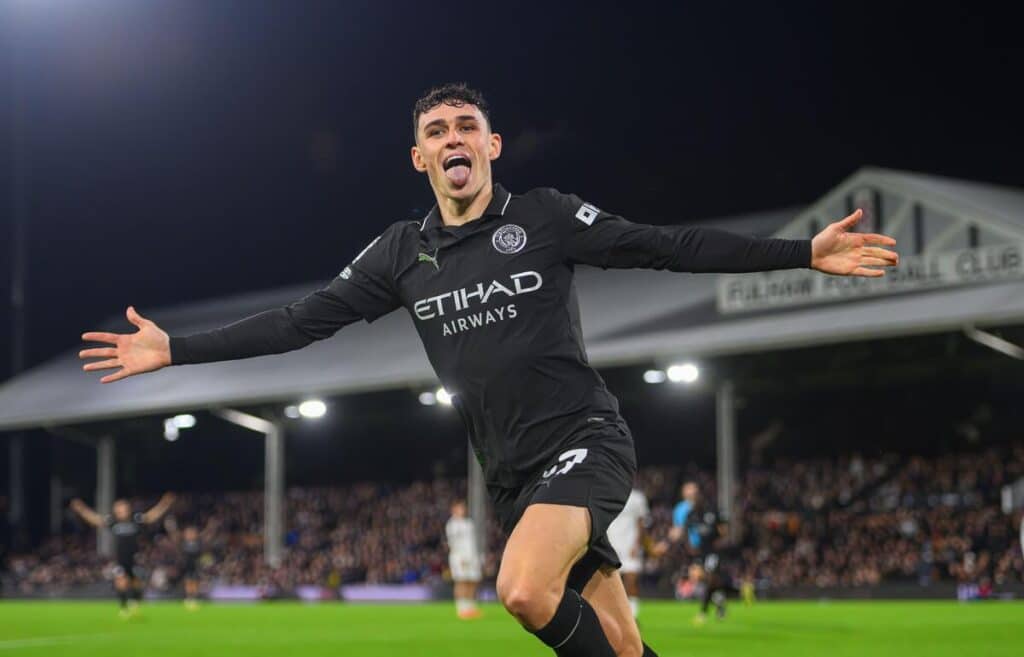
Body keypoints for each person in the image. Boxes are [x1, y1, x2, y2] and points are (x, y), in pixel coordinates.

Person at [79, 83, 898, 656]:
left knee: (522, 590)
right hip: (509, 476)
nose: (453, 140)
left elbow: (666, 245)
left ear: (492, 144)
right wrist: (175, 348)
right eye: (437, 132)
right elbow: (299, 322)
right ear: (418, 158)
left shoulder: (541, 217)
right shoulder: (400, 253)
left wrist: (802, 251)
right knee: (617, 639)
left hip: (584, 440)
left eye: (466, 125)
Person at [70, 493, 176, 616]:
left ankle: (135, 603)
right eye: (118, 508)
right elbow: (96, 520)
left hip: (136, 558)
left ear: (128, 509)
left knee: (135, 582)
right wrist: (81, 509)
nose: (120, 511)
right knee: (120, 581)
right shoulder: (113, 522)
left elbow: (152, 516)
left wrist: (164, 503)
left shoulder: (136, 519)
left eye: (122, 508)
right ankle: (124, 607)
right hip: (121, 558)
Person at [670, 482, 732, 625]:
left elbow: (723, 529)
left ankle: (703, 612)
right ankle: (720, 603)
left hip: (712, 551)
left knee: (709, 578)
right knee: (705, 579)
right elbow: (684, 531)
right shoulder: (689, 514)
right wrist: (687, 545)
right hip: (698, 552)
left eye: (695, 495)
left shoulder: (711, 510)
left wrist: (721, 540)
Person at [606, 486, 651, 620]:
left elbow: (641, 523)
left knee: (632, 581)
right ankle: (616, 616)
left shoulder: (637, 497)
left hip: (630, 546)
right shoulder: (606, 493)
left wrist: (638, 545)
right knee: (613, 583)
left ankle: (633, 616)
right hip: (611, 544)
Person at [445, 499, 483, 619]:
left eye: (463, 507)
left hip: (472, 556)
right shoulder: (452, 524)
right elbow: (453, 543)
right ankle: (461, 608)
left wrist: (477, 556)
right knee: (461, 581)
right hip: (459, 557)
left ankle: (470, 607)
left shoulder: (469, 523)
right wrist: (459, 556)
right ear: (454, 509)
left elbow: (473, 542)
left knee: (472, 581)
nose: (462, 510)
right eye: (459, 507)